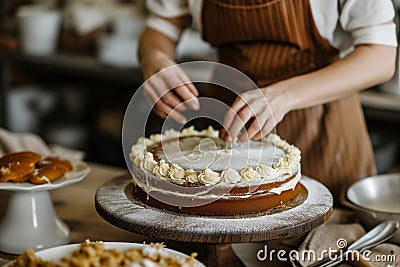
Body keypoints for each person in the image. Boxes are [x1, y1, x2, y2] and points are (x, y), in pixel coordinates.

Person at [137, 0, 397, 200]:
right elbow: (160, 27)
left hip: (323, 124)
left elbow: (381, 56)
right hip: (226, 119)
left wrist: (283, 95)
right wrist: (155, 59)